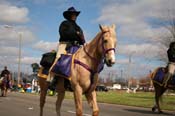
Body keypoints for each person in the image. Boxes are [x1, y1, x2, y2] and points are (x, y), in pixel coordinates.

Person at [47, 7, 86, 84]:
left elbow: (82, 40)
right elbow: (64, 34)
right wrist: (76, 34)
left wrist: (80, 37)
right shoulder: (64, 24)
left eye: (75, 14)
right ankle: (50, 79)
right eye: (72, 14)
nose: (74, 16)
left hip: (77, 47)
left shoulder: (78, 27)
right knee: (58, 59)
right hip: (65, 45)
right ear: (69, 15)